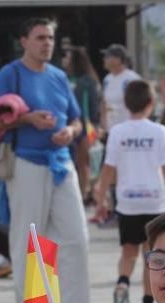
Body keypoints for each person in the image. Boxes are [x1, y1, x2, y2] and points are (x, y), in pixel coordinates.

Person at [0, 17, 106, 303]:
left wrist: (71, 132)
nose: (46, 43)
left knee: (76, 239)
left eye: (50, 38)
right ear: (24, 41)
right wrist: (26, 119)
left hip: (61, 165)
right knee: (32, 243)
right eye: (39, 38)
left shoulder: (60, 77)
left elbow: (78, 121)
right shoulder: (10, 75)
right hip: (26, 164)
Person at [95, 80, 165, 303]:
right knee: (151, 257)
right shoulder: (159, 131)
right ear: (151, 103)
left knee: (128, 253)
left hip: (128, 202)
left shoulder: (118, 133)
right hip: (155, 202)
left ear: (126, 104)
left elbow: (108, 170)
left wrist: (101, 198)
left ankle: (122, 285)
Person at [62, 46, 101, 202]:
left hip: (84, 125)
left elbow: (94, 105)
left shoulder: (88, 81)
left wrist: (95, 125)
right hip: (65, 125)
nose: (64, 60)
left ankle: (82, 193)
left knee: (82, 161)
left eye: (67, 57)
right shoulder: (62, 78)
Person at [100, 44, 141, 134]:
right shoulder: (107, 79)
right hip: (111, 130)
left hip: (129, 130)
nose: (104, 59)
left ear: (118, 60)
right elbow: (104, 102)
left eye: (107, 57)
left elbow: (139, 105)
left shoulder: (132, 78)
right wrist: (104, 125)